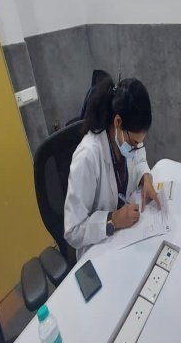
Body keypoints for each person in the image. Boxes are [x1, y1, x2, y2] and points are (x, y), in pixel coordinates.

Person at [64, 75, 160, 260]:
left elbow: (139, 156)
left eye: (140, 143)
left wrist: (146, 178)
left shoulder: (123, 140)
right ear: (118, 122)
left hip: (127, 235)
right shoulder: (88, 157)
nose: (137, 147)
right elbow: (73, 231)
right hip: (98, 249)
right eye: (134, 142)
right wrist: (113, 220)